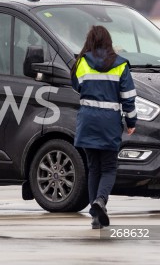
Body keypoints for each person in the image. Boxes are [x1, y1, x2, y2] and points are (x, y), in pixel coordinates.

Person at [71, 25, 137, 229]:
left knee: (93, 169)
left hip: (88, 122)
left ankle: (96, 216)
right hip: (109, 124)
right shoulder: (120, 64)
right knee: (109, 168)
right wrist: (131, 122)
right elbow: (128, 98)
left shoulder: (82, 62)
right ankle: (101, 200)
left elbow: (76, 85)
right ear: (108, 41)